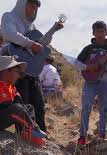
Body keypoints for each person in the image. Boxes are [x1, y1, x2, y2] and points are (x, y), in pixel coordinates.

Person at [0, 0, 63, 132]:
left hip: (31, 70)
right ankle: (23, 135)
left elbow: (40, 45)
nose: (34, 9)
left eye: (36, 8)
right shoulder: (9, 16)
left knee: (38, 104)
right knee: (22, 102)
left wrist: (53, 31)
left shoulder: (32, 27)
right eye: (31, 5)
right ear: (22, 4)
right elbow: (9, 34)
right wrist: (30, 44)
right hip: (14, 68)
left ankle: (41, 135)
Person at [73, 21, 107, 145]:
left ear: (106, 33)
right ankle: (82, 136)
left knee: (103, 109)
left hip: (105, 83)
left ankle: (102, 135)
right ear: (93, 33)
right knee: (86, 107)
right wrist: (89, 67)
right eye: (97, 31)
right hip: (90, 82)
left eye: (102, 31)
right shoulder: (88, 49)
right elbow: (77, 63)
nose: (100, 34)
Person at [0, 56, 46, 145]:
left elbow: (22, 107)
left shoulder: (11, 88)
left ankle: (25, 132)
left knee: (28, 107)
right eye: (17, 72)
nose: (19, 76)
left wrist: (17, 98)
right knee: (16, 108)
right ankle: (33, 130)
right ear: (6, 71)